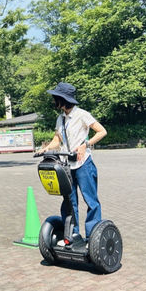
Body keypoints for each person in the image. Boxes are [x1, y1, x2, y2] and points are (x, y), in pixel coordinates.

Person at [37, 82, 108, 242]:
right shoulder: (60, 119)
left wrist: (86, 145)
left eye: (56, 98)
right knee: (69, 201)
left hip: (84, 164)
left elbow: (102, 131)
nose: (54, 100)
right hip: (67, 166)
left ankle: (92, 238)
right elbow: (57, 139)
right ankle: (72, 235)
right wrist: (46, 148)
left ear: (64, 99)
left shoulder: (82, 114)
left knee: (91, 201)